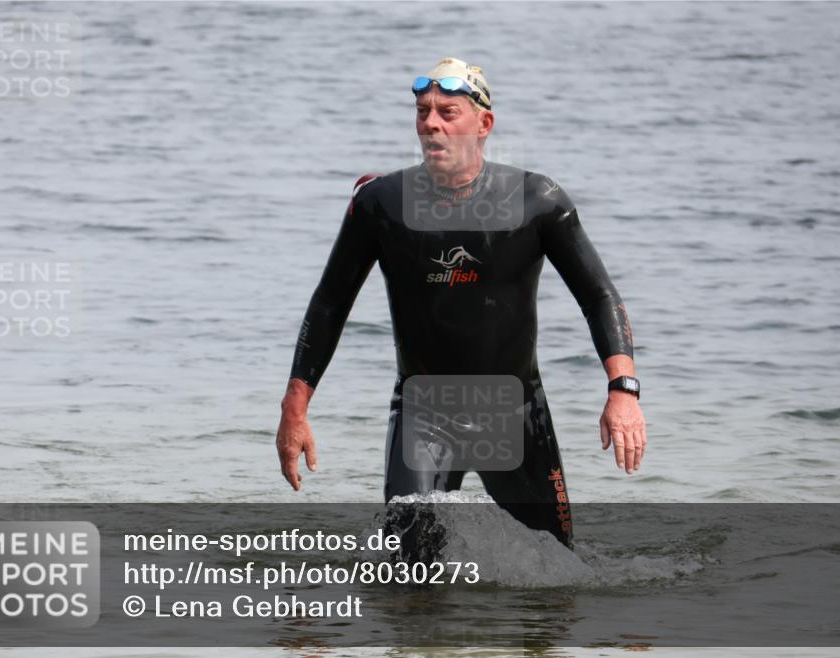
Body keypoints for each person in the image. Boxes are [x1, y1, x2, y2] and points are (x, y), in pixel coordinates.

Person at [276, 57, 646, 549]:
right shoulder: (381, 205)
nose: (430, 123)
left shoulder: (536, 199)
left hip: (514, 411)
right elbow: (329, 304)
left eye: (447, 112)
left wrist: (623, 390)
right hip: (424, 410)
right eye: (422, 111)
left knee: (557, 575)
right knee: (405, 573)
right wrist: (294, 409)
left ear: (484, 124)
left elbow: (598, 295)